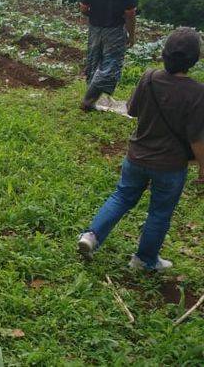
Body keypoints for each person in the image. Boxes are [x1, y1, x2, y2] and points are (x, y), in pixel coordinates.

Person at [78, 27, 204, 271]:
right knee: (159, 212)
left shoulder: (148, 77)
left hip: (136, 157)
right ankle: (144, 260)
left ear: (164, 54)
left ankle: (91, 236)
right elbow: (198, 138)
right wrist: (202, 170)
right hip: (170, 167)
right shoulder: (198, 93)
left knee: (121, 196)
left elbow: (132, 110)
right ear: (195, 59)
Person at [79, 0, 138, 111]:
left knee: (93, 61)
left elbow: (83, 9)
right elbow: (130, 15)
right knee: (111, 65)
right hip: (114, 31)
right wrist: (131, 35)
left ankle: (93, 95)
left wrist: (97, 14)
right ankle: (89, 101)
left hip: (95, 29)